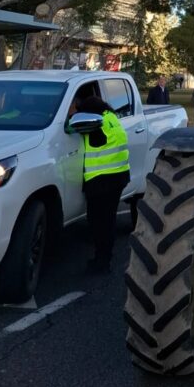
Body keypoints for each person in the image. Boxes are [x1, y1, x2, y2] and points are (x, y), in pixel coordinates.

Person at [68, 92, 130, 273]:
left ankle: (102, 262)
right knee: (108, 220)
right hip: (119, 176)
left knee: (98, 222)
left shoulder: (93, 123)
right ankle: (105, 257)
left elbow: (70, 128)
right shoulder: (111, 117)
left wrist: (71, 117)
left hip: (101, 180)